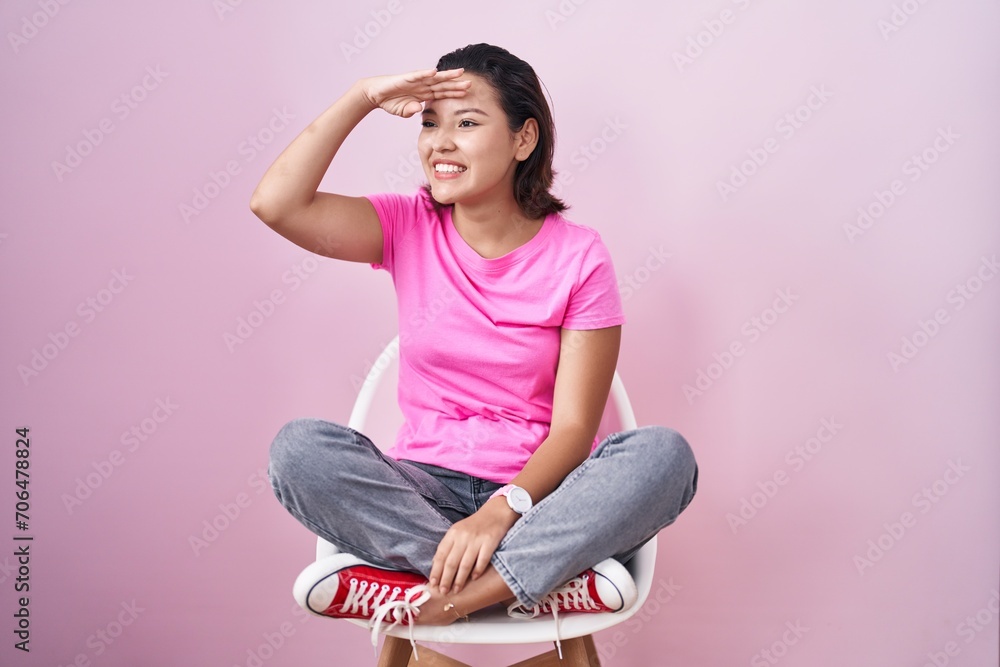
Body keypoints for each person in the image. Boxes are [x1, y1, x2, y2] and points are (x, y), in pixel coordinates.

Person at [250, 43, 698, 656]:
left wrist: (501, 512)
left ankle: (437, 594)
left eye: (466, 123)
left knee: (662, 457)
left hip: (540, 497)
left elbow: (572, 430)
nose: (440, 142)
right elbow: (276, 204)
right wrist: (362, 97)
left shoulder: (579, 256)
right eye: (430, 124)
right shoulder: (407, 226)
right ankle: (530, 583)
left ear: (523, 139)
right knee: (298, 450)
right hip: (421, 491)